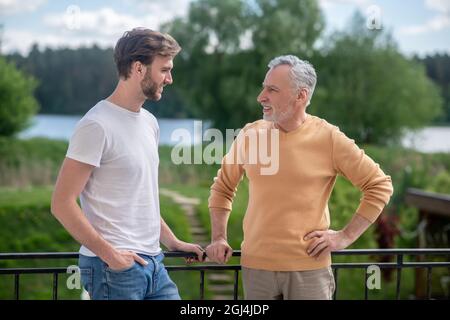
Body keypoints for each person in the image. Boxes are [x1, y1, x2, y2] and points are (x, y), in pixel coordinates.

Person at [206, 55, 394, 300]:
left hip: (309, 270)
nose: (261, 97)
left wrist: (345, 236)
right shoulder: (250, 135)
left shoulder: (329, 138)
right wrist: (218, 237)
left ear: (300, 96)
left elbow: (379, 186)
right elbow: (222, 188)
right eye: (264, 87)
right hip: (256, 269)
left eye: (272, 89)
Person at [51, 28, 204, 300]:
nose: (170, 78)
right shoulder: (96, 125)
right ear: (138, 68)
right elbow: (61, 203)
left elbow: (139, 200)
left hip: (155, 264)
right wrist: (110, 255)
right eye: (164, 70)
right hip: (115, 269)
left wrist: (172, 242)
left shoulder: (150, 123)